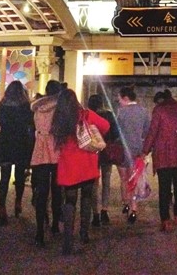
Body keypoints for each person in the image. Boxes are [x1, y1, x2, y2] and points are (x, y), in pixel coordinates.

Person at [51, 88, 109, 256]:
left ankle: (68, 239)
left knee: (69, 201)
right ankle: (84, 233)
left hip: (68, 166)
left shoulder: (59, 117)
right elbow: (106, 126)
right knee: (86, 197)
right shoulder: (85, 114)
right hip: (87, 163)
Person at [143, 89, 177, 232]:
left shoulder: (159, 110)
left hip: (164, 155)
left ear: (160, 100)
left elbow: (152, 132)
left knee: (164, 188)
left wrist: (144, 151)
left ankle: (165, 220)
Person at [0, 80, 35, 226]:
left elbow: (1, 122)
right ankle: (18, 203)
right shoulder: (26, 106)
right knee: (19, 176)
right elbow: (30, 124)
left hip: (5, 142)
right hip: (20, 143)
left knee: (4, 177)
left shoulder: (2, 105)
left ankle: (2, 208)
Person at [30, 79, 63, 248]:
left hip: (40, 149)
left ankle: (39, 232)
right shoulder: (60, 107)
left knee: (41, 191)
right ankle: (56, 224)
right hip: (56, 149)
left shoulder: (37, 107)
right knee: (57, 190)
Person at [116, 86, 150, 224]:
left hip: (123, 151)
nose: (119, 102)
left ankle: (126, 203)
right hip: (138, 151)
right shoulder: (144, 112)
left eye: (119, 99)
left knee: (124, 179)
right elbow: (147, 132)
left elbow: (117, 131)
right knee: (134, 180)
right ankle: (134, 209)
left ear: (125, 98)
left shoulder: (121, 112)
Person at [87, 93, 119, 227]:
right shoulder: (109, 115)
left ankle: (95, 214)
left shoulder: (87, 115)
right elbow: (116, 134)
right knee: (106, 181)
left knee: (93, 184)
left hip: (92, 153)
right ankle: (104, 210)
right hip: (106, 152)